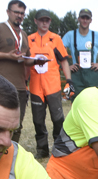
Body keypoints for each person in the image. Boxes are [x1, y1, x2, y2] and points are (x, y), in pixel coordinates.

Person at [0, 1, 46, 143]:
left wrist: (36, 61)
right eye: (16, 12)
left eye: (22, 13)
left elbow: (25, 59)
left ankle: (11, 153)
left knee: (16, 125)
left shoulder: (23, 34)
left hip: (20, 87)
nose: (19, 16)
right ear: (8, 12)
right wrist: (6, 56)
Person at [27, 9, 72, 159]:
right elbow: (24, 62)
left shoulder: (55, 38)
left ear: (50, 22)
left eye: (47, 20)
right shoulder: (29, 39)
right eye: (41, 20)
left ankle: (59, 147)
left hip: (52, 85)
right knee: (38, 120)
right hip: (35, 86)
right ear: (36, 21)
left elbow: (64, 60)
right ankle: (42, 149)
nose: (44, 23)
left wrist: (68, 80)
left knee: (58, 118)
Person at [62, 8, 98, 100]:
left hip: (92, 77)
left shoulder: (96, 35)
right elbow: (58, 52)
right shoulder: (70, 35)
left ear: (90, 20)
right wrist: (67, 67)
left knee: (93, 102)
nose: (85, 20)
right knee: (77, 102)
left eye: (87, 18)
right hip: (76, 77)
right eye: (82, 18)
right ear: (78, 19)